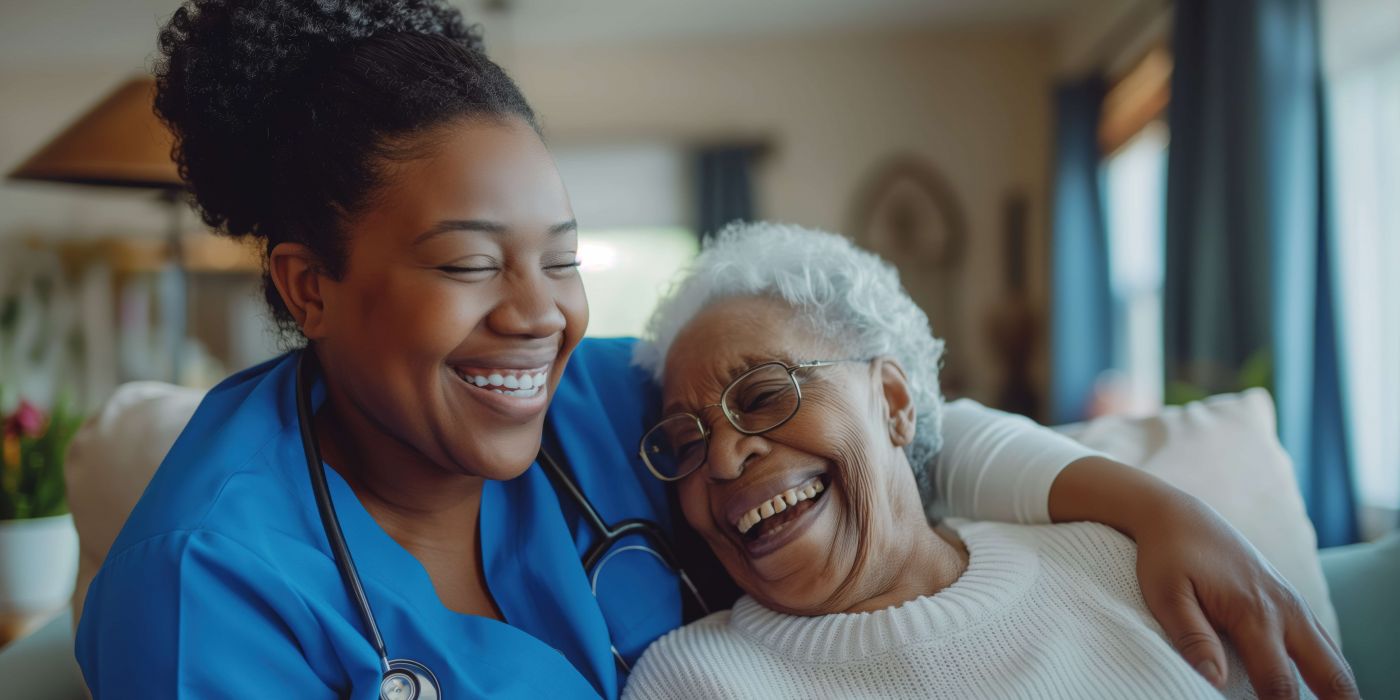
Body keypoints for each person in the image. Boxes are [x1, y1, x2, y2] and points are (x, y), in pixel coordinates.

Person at [74, 1, 1354, 698]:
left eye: (560, 255)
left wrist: (1149, 504)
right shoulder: (207, 593)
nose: (538, 312)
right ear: (308, 283)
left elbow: (884, 435)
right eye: (469, 262)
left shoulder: (602, 402)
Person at [624, 223, 1280, 698]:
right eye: (687, 442)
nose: (725, 459)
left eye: (765, 394)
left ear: (893, 400)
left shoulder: (1120, 564)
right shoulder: (692, 681)